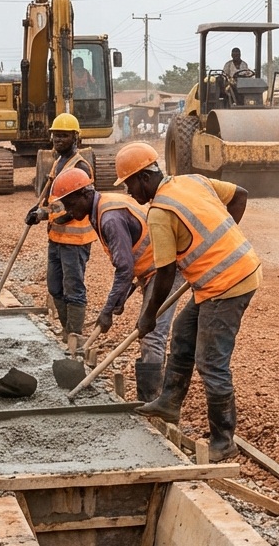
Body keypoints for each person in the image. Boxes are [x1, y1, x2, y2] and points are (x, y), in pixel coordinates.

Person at [115, 143, 259, 463]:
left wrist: (149, 316)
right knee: (182, 333)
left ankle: (223, 440)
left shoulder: (159, 213)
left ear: (144, 177)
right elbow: (240, 195)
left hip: (228, 283)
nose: (128, 192)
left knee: (211, 361)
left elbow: (165, 274)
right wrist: (222, 242)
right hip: (225, 274)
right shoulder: (192, 180)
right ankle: (169, 401)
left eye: (129, 184)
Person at [53, 167, 179, 402]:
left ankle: (151, 402)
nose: (68, 211)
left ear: (85, 194)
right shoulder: (99, 208)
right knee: (148, 332)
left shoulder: (109, 217)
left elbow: (124, 269)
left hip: (165, 270)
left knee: (151, 334)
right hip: (151, 268)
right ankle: (151, 398)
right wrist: (118, 301)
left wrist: (107, 311)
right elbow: (129, 261)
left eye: (71, 204)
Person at [26, 113, 94, 339]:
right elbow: (51, 199)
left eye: (64, 136)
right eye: (56, 135)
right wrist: (38, 211)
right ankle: (66, 329)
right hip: (56, 237)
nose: (58, 140)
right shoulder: (58, 163)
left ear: (75, 137)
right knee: (55, 286)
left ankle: (73, 334)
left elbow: (75, 207)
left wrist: (47, 215)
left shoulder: (80, 167)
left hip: (75, 240)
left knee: (73, 287)